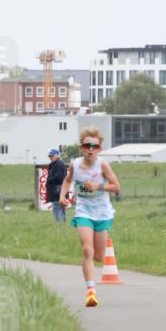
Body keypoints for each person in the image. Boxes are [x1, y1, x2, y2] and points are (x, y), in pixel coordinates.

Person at [58, 126, 120, 308]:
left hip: (102, 212)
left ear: (99, 148)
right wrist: (62, 196)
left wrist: (98, 187)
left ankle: (93, 279)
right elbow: (68, 180)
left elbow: (116, 186)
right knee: (87, 250)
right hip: (83, 210)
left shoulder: (103, 165)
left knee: (99, 257)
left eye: (94, 146)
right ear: (81, 148)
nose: (90, 149)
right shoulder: (75, 164)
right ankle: (90, 291)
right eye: (87, 146)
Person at [45, 148, 67, 222]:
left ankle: (59, 224)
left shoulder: (59, 164)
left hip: (57, 189)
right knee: (60, 208)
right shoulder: (54, 164)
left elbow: (59, 177)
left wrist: (48, 180)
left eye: (52, 155)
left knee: (56, 207)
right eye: (49, 156)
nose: (50, 157)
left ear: (58, 155)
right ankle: (62, 224)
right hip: (58, 189)